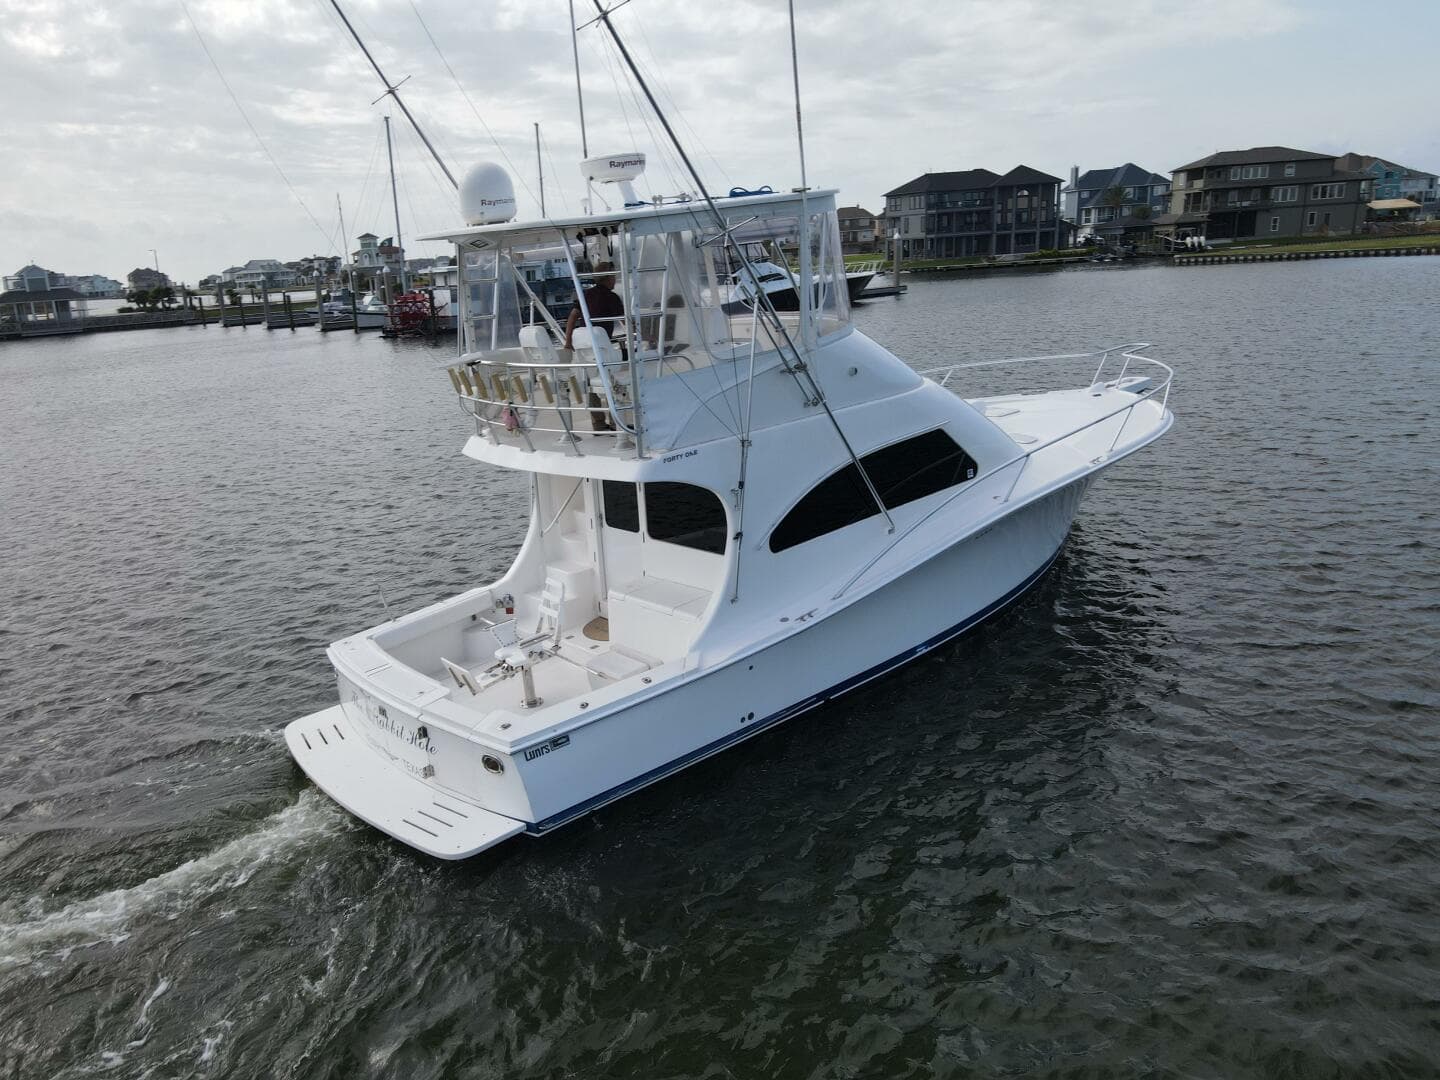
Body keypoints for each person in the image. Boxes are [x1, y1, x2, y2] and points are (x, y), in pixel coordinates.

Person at [563, 263, 624, 351]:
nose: (615, 279)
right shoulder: (612, 297)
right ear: (608, 278)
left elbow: (572, 317)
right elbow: (625, 321)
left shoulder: (585, 294)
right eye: (613, 276)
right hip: (603, 348)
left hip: (586, 348)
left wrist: (568, 342)